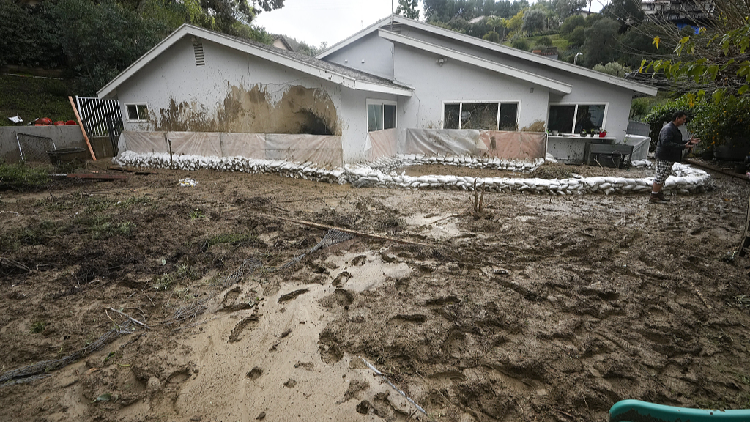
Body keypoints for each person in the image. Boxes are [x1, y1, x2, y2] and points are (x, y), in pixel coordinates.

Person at [650, 111, 700, 203]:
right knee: (660, 176)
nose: (684, 121)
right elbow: (666, 143)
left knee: (663, 175)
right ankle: (654, 196)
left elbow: (676, 142)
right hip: (665, 156)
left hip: (668, 157)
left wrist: (688, 142)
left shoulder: (673, 128)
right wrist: (683, 146)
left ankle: (657, 194)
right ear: (677, 118)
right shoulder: (668, 129)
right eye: (683, 119)